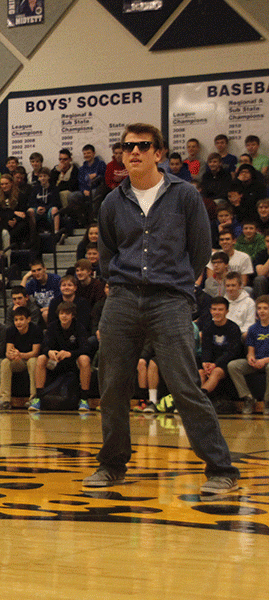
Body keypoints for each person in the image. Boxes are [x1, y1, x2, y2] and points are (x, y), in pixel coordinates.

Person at [86, 122, 239, 495]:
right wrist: (120, 282)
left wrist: (177, 284)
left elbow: (201, 250)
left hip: (169, 300)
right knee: (112, 386)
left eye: (143, 145)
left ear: (158, 153)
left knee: (186, 386)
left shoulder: (184, 195)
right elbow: (107, 254)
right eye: (127, 146)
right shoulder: (111, 202)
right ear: (121, 154)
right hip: (121, 299)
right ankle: (112, 464)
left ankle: (221, 469)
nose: (134, 152)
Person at [227, 295, 269, 415]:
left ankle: (267, 401)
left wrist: (265, 361)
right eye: (259, 308)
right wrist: (251, 358)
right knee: (233, 365)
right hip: (257, 361)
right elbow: (250, 350)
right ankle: (248, 397)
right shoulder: (253, 329)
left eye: (265, 308)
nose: (262, 311)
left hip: (267, 362)